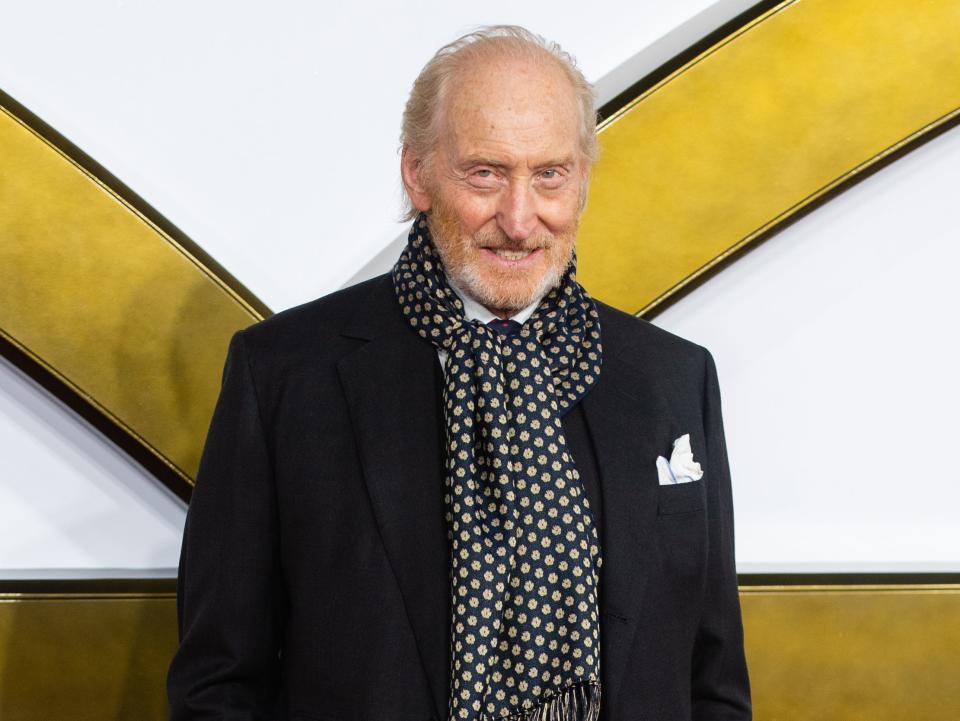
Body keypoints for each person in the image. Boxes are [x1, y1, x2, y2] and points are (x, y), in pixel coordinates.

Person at [167, 25, 751, 721]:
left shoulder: (674, 378)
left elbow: (712, 682)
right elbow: (219, 683)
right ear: (417, 174)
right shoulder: (285, 376)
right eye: (485, 172)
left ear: (583, 181)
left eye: (549, 175)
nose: (518, 217)